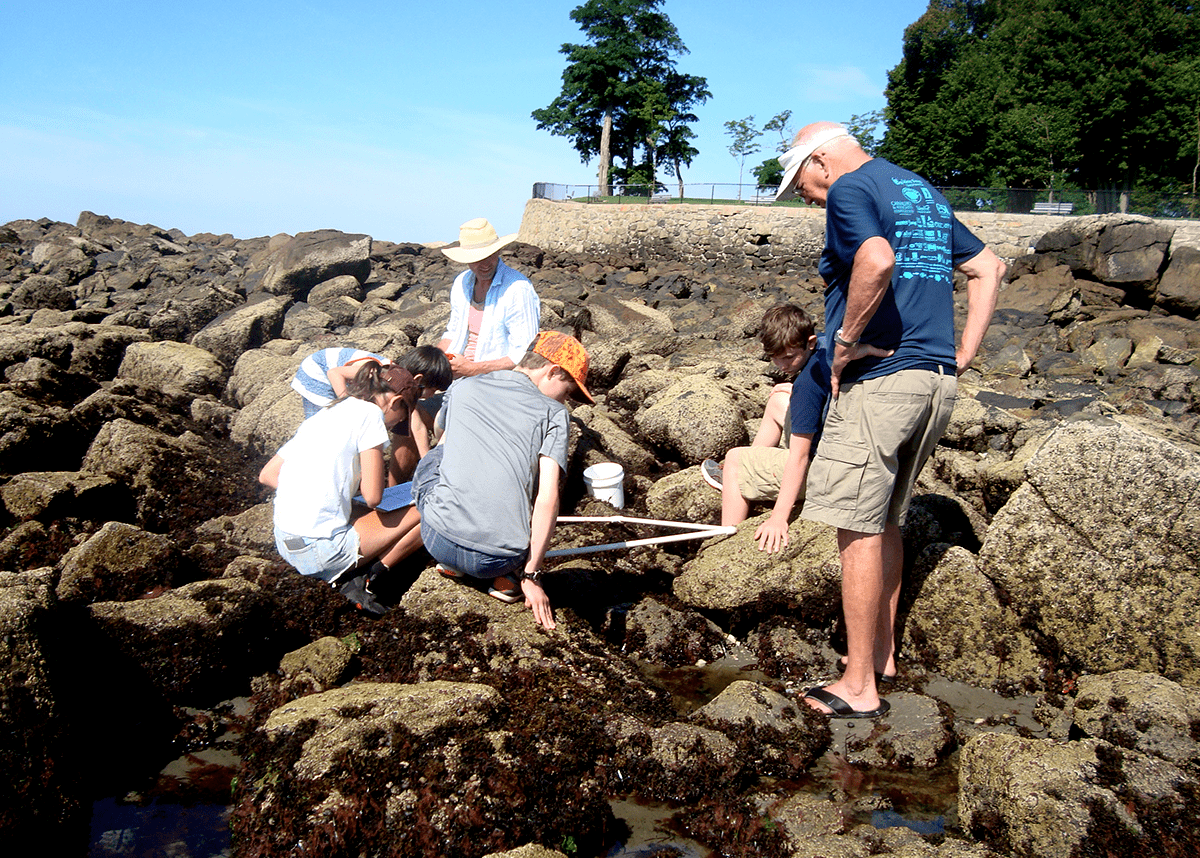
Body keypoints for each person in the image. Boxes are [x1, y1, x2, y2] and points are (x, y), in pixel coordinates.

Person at [776, 121, 1005, 718]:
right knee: (886, 521)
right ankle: (881, 655)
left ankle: (858, 686)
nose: (804, 195)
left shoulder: (852, 188)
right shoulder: (920, 190)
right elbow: (989, 268)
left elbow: (875, 261)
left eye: (801, 181)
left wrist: (846, 339)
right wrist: (960, 356)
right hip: (934, 383)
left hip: (881, 386)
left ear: (820, 161)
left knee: (854, 526)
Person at [412, 331, 593, 631]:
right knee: (531, 479)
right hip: (496, 560)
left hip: (437, 540)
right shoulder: (554, 414)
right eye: (568, 390)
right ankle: (506, 581)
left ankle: (453, 565)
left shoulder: (465, 385)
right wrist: (532, 575)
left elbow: (440, 432)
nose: (566, 400)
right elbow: (547, 498)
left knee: (438, 453)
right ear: (553, 371)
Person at [259, 361, 424, 616]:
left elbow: (268, 474)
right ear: (395, 402)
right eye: (397, 422)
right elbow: (372, 497)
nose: (392, 429)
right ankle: (367, 577)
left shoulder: (326, 412)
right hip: (320, 552)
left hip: (285, 542)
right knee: (432, 507)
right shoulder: (371, 415)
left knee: (357, 506)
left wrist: (316, 495)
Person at [700, 305, 818, 527]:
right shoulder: (824, 351)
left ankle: (727, 534)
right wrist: (791, 390)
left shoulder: (805, 389)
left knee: (734, 459)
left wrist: (779, 517)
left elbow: (800, 457)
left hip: (821, 471)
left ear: (809, 342)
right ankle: (751, 469)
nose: (782, 366)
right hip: (831, 448)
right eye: (775, 358)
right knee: (777, 401)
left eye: (788, 357)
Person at [437, 218, 541, 379]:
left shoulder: (517, 288)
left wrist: (473, 369)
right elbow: (453, 332)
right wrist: (433, 361)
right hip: (456, 374)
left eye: (490, 255)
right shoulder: (462, 282)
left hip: (495, 380)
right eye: (477, 258)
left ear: (498, 251)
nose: (485, 263)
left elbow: (525, 352)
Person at [387, 345, 453, 484]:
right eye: (432, 390)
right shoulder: (391, 384)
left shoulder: (403, 383)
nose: (431, 396)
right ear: (418, 381)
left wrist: (427, 464)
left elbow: (417, 427)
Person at [291, 347, 389, 418]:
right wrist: (347, 404)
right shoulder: (377, 373)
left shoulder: (393, 378)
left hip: (336, 370)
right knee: (321, 420)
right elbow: (334, 373)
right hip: (316, 371)